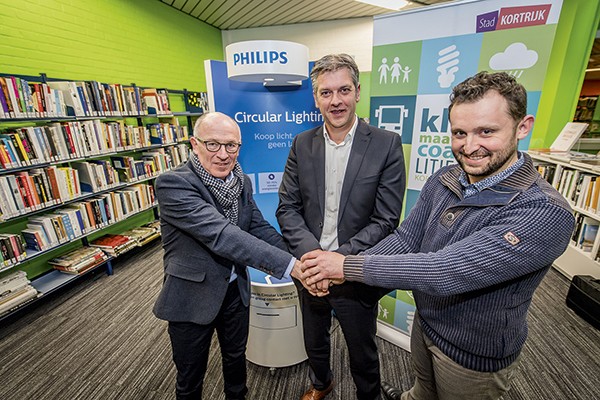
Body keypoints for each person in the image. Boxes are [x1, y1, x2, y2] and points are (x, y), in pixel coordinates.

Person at [299, 71, 575, 400]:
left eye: (486, 131)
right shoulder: (446, 178)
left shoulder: (543, 212)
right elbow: (405, 241)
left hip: (472, 356)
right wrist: (339, 265)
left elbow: (443, 271)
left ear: (523, 127)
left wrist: (343, 267)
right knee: (422, 391)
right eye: (460, 133)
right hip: (426, 324)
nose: (471, 146)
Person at [277, 53, 406, 400]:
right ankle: (322, 383)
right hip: (309, 268)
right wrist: (315, 259)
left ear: (358, 92)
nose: (336, 101)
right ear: (315, 98)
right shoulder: (302, 144)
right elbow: (287, 208)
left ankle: (369, 394)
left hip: (354, 270)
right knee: (314, 337)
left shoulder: (386, 144)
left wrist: (339, 263)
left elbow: (386, 219)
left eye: (344, 90)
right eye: (326, 92)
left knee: (362, 347)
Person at [153, 112, 303, 400]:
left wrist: (301, 259)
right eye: (213, 145)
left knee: (235, 360)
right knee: (190, 376)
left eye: (231, 146)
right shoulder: (173, 184)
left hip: (235, 290)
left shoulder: (241, 181)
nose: (223, 154)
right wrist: (291, 267)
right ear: (194, 144)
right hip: (191, 296)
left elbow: (257, 226)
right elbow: (223, 236)